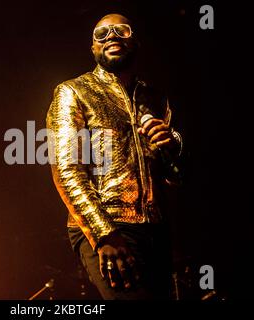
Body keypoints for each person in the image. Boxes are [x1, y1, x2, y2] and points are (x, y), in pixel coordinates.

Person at [46, 13, 184, 300]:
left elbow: (175, 178)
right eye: (101, 34)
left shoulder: (155, 98)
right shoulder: (73, 91)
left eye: (120, 30)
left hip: (156, 229)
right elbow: (67, 169)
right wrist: (103, 234)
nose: (111, 36)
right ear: (93, 48)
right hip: (110, 224)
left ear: (135, 42)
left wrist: (172, 146)